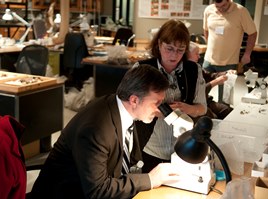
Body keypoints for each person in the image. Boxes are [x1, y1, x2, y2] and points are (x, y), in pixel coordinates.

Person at [29, 64, 181, 199]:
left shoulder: (122, 109)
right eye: (157, 103)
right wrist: (150, 179)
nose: (160, 110)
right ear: (134, 100)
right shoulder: (95, 129)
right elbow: (98, 190)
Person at [134, 19, 207, 173]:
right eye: (169, 48)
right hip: (150, 147)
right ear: (159, 44)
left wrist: (187, 108)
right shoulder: (142, 69)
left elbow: (202, 108)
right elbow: (131, 107)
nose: (174, 55)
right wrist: (158, 113)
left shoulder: (194, 70)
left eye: (181, 50)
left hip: (184, 147)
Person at [203, 0, 257, 102]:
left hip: (229, 63)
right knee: (201, 94)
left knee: (224, 99)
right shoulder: (208, 10)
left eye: (224, 5)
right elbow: (206, 30)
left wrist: (247, 54)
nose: (221, 9)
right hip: (208, 60)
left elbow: (253, 33)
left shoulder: (241, 11)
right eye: (218, 6)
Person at [189, 42, 233, 119]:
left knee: (227, 111)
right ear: (188, 55)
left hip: (206, 100)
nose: (199, 57)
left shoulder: (197, 67)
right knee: (213, 118)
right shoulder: (184, 71)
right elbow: (199, 91)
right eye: (196, 54)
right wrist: (215, 82)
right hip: (195, 103)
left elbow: (209, 75)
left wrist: (225, 73)